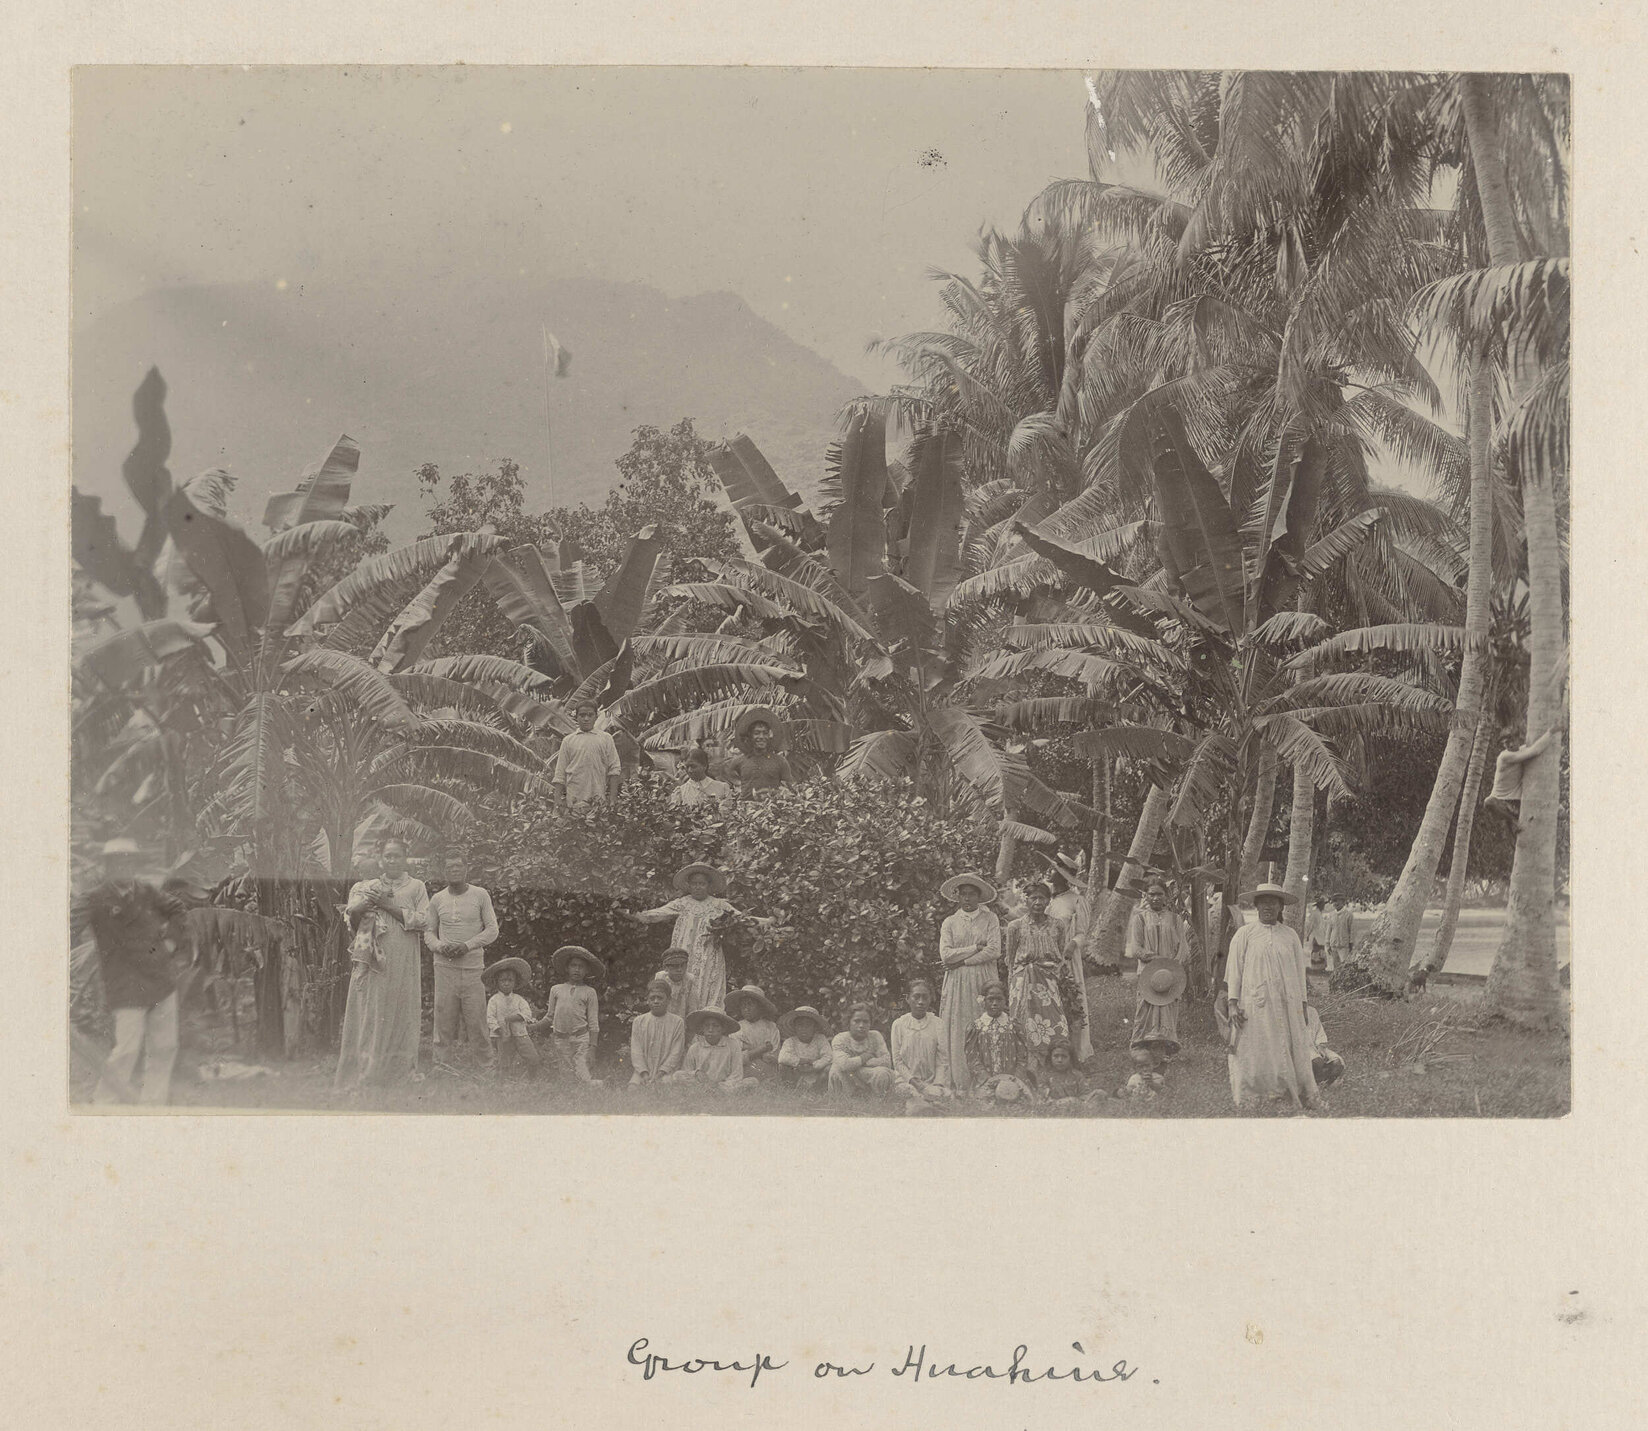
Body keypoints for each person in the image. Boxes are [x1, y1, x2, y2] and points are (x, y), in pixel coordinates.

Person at [77, 838, 186, 1106]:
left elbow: (177, 909)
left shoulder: (148, 892)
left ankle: (153, 1106)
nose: (124, 867)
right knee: (127, 1048)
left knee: (164, 1047)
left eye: (129, 861)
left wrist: (172, 940)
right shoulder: (94, 899)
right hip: (125, 983)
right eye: (117, 862)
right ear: (108, 866)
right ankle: (103, 1104)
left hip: (160, 979)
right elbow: (66, 926)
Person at [336, 838, 430, 1092]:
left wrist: (388, 905)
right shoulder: (366, 886)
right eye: (388, 856)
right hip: (372, 958)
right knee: (371, 1008)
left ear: (405, 858)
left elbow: (424, 920)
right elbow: (351, 922)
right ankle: (367, 1070)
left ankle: (398, 1071)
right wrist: (360, 907)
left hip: (403, 956)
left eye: (397, 856)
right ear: (381, 858)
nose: (392, 860)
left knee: (400, 1009)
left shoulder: (416, 887)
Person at [627, 863, 774, 1015]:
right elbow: (655, 914)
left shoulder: (718, 904)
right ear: (689, 885)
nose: (698, 887)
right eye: (694, 884)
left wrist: (766, 922)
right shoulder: (682, 903)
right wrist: (631, 913)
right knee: (680, 984)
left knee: (707, 985)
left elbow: (742, 919)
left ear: (709, 885)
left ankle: (704, 1025)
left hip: (708, 953)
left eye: (702, 884)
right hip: (683, 953)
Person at [1224, 883, 1318, 1110]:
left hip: (1288, 1002)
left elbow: (1299, 972)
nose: (1268, 906)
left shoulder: (1290, 936)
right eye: (1263, 902)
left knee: (1286, 1042)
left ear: (1280, 907)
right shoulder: (1245, 935)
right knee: (1257, 1044)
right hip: (1255, 1002)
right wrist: (1233, 1004)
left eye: (1273, 902)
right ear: (1256, 905)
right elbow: (1234, 971)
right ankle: (1255, 1094)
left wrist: (1303, 1005)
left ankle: (1287, 1091)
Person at [425, 852, 499, 1067]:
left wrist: (467, 945)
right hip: (444, 967)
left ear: (466, 868)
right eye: (449, 867)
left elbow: (492, 930)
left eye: (458, 866)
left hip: (473, 968)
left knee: (476, 1020)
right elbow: (429, 932)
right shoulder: (437, 899)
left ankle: (486, 1067)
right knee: (443, 1020)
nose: (454, 870)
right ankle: (441, 1066)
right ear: (443, 871)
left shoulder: (480, 895)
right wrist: (441, 946)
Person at [936, 874, 1002, 1096]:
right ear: (957, 896)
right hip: (957, 982)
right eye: (963, 894)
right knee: (960, 1027)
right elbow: (945, 955)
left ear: (979, 896)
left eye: (971, 894)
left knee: (984, 1022)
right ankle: (961, 1082)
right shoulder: (950, 922)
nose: (967, 898)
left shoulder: (990, 918)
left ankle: (988, 1080)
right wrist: (974, 947)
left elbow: (994, 950)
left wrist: (963, 960)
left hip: (983, 977)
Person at [1005, 881, 1071, 1088]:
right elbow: (1010, 958)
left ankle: (1053, 1071)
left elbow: (1060, 955)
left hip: (1048, 980)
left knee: (1052, 1024)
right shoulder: (1015, 926)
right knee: (1022, 1024)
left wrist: (1054, 975)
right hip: (1022, 979)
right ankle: (1024, 1071)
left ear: (1048, 901)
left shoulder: (1058, 925)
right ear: (1025, 900)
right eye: (1033, 898)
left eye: (1042, 898)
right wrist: (1014, 983)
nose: (1038, 902)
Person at [1128, 880, 1192, 1069]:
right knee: (1145, 1009)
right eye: (1152, 894)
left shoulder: (1175, 919)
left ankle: (1164, 1051)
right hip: (1148, 972)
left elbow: (1183, 947)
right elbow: (1136, 948)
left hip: (1169, 973)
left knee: (1166, 1010)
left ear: (1167, 896)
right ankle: (1141, 1048)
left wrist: (1173, 965)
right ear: (1146, 896)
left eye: (1159, 894)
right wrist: (1154, 958)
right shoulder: (1140, 918)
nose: (1155, 898)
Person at [1040, 858, 1094, 1059]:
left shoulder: (1077, 900)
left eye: (1054, 870)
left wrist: (1071, 946)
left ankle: (1077, 1051)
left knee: (1071, 999)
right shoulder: (1048, 899)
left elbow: (1082, 933)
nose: (1049, 873)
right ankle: (1053, 1050)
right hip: (1046, 956)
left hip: (1067, 957)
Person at [543, 945, 604, 1087]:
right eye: (573, 965)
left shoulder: (589, 992)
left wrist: (592, 1048)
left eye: (581, 966)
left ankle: (599, 1085)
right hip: (561, 1039)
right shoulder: (556, 989)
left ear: (587, 970)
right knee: (567, 1079)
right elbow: (549, 1016)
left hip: (581, 1039)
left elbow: (593, 1023)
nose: (577, 969)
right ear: (567, 968)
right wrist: (532, 1026)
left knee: (583, 1076)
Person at [965, 981, 1036, 1104]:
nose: (994, 1003)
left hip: (1013, 1080)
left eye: (999, 999)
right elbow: (972, 1057)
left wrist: (1014, 1078)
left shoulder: (1013, 1025)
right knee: (985, 1103)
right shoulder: (976, 1027)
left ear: (1005, 1001)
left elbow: (1022, 1055)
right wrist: (986, 1079)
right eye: (990, 999)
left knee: (1017, 1101)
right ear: (983, 1001)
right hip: (985, 1081)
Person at [889, 978, 950, 1112]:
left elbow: (942, 1060)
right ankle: (922, 1106)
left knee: (943, 1096)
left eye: (925, 997)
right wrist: (915, 1082)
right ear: (908, 999)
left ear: (930, 999)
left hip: (932, 1081)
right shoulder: (898, 1025)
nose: (921, 1002)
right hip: (907, 1082)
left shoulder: (938, 1024)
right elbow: (897, 1061)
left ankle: (927, 1105)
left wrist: (937, 1084)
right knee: (910, 1094)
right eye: (916, 997)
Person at [667, 1007, 756, 1093]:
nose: (710, 1029)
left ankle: (710, 1092)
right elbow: (687, 1071)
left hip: (724, 1086)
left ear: (723, 1028)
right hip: (702, 1084)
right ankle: (706, 1091)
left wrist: (719, 1087)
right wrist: (696, 1073)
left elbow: (736, 1075)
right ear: (702, 1028)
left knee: (752, 1082)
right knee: (677, 1076)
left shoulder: (733, 1045)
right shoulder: (695, 1048)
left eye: (715, 1026)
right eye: (707, 1025)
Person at [551, 701, 622, 809]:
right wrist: (557, 800)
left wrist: (612, 799)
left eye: (590, 715)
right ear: (576, 716)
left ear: (596, 716)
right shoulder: (568, 741)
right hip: (574, 801)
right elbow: (560, 773)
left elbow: (614, 769)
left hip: (598, 800)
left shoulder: (606, 738)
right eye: (582, 715)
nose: (586, 719)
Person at [482, 957, 542, 1077]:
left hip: (520, 1034)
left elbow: (527, 1014)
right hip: (502, 1035)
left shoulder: (519, 999)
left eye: (510, 980)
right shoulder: (494, 1000)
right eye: (503, 980)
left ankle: (532, 1079)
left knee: (533, 1058)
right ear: (497, 982)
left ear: (515, 982)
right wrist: (498, 1029)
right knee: (504, 1061)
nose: (506, 983)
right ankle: (505, 1083)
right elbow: (490, 1018)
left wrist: (514, 1017)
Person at [1130, 950, 1189, 1070]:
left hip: (1169, 976)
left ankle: (1162, 1054)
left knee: (1166, 1018)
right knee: (1144, 1019)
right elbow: (1136, 949)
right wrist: (1157, 958)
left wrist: (1173, 963)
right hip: (1148, 975)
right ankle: (1143, 1055)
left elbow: (1184, 950)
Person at [828, 1002, 896, 1102]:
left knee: (883, 1072)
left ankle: (877, 1099)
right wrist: (865, 1057)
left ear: (870, 1023)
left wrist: (861, 1063)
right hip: (849, 1077)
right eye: (857, 1021)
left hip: (867, 1075)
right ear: (849, 1022)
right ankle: (844, 1100)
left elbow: (887, 1061)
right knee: (836, 1069)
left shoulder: (875, 1036)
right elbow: (844, 1064)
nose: (861, 1025)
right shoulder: (840, 1038)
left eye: (866, 1022)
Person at [629, 979, 686, 1087]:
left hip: (666, 1071)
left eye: (660, 998)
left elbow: (676, 1052)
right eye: (652, 998)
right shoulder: (639, 1021)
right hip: (643, 1071)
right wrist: (644, 1073)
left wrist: (660, 1073)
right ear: (647, 1000)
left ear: (668, 1000)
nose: (656, 1001)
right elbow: (636, 1051)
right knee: (633, 1089)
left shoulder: (677, 1022)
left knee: (663, 1089)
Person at [724, 715, 795, 798]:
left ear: (769, 736)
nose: (761, 737)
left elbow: (789, 789)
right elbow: (731, 783)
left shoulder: (780, 761)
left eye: (765, 733)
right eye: (756, 733)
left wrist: (770, 792)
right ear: (750, 736)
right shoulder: (738, 762)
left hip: (772, 807)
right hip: (746, 808)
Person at [726, 984, 782, 1080]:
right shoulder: (737, 1028)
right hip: (743, 1072)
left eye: (750, 1004)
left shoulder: (771, 1027)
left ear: (760, 1007)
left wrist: (747, 1049)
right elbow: (736, 1058)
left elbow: (773, 1056)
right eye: (743, 1005)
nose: (746, 1009)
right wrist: (762, 1049)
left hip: (768, 1071)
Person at [776, 1005, 834, 1092]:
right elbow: (782, 1057)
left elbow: (828, 1056)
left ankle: (816, 1090)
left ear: (815, 1028)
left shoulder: (820, 1039)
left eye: (808, 1025)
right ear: (794, 1027)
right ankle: (790, 1089)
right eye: (800, 1025)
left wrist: (814, 1066)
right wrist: (801, 1061)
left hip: (816, 1074)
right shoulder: (790, 1041)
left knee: (828, 1068)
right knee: (783, 1066)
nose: (804, 1029)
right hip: (797, 1073)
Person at [668, 747, 732, 808]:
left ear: (704, 766)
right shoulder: (681, 792)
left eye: (693, 766)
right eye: (687, 766)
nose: (690, 770)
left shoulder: (722, 788)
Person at [651, 947, 691, 1019]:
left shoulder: (689, 980)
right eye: (675, 966)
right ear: (665, 967)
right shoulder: (661, 977)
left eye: (682, 965)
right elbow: (656, 1001)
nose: (679, 970)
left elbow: (692, 1007)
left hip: (682, 1021)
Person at [1323, 895, 1355, 972]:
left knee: (1344, 965)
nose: (1335, 903)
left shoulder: (1348, 915)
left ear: (1343, 902)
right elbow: (1329, 930)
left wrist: (1351, 943)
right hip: (1333, 944)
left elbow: (1352, 930)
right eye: (1334, 901)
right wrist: (1327, 943)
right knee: (1335, 966)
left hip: (1344, 944)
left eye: (1338, 901)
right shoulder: (1331, 915)